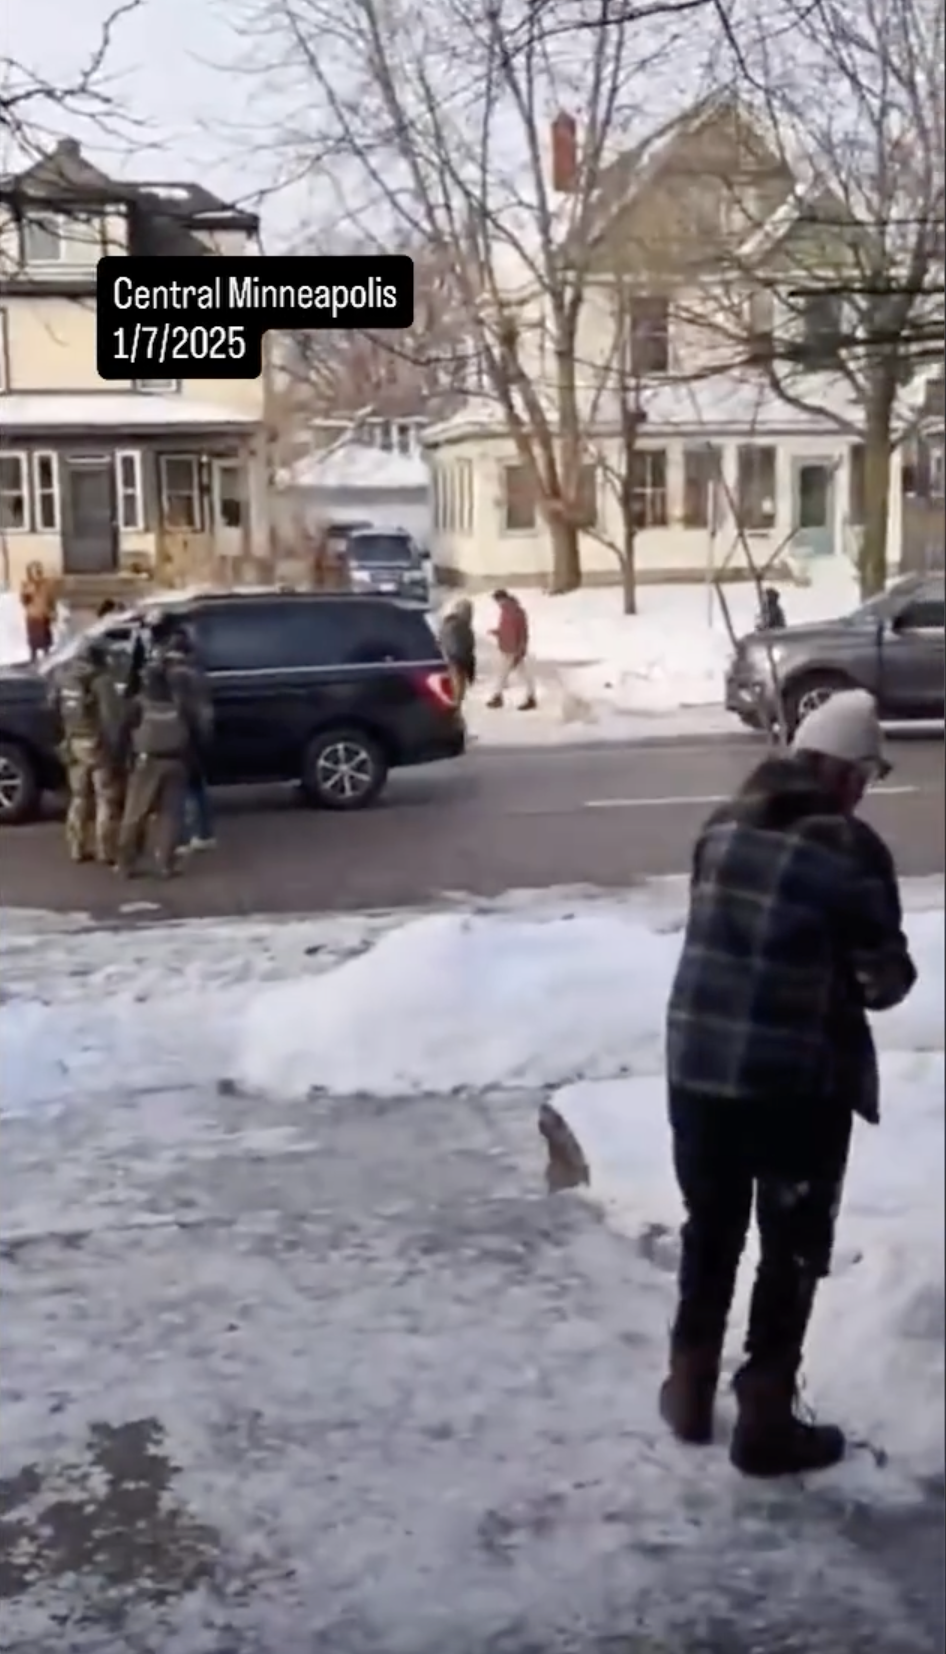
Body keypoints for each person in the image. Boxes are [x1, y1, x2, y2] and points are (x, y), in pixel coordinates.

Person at [660, 689, 916, 1478]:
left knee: (711, 1227)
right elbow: (883, 981)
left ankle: (689, 1386)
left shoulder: (722, 825)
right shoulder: (848, 848)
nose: (863, 792)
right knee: (791, 1245)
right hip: (794, 1084)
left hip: (698, 1068)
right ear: (840, 772)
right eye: (864, 775)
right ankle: (766, 1418)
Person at [115, 660, 192, 878]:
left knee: (135, 814)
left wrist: (121, 761)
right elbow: (192, 731)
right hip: (176, 762)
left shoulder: (138, 704)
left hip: (147, 763)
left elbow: (122, 733)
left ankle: (125, 863)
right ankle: (165, 863)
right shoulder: (178, 703)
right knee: (170, 816)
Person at [51, 639, 124, 864]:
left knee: (79, 796)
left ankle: (77, 846)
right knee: (105, 798)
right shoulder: (101, 681)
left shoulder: (63, 677)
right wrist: (116, 747)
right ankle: (106, 849)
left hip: (73, 741)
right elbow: (112, 717)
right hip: (97, 744)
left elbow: (53, 708)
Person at [152, 622, 215, 850]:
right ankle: (204, 833)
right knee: (197, 786)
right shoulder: (196, 671)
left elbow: (179, 709)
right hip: (199, 735)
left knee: (181, 789)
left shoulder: (176, 676)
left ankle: (185, 837)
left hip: (183, 737)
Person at [486, 589, 537, 710]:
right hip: (509, 648)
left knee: (505, 674)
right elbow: (508, 630)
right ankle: (529, 697)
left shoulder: (513, 612)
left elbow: (521, 632)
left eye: (498, 600)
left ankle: (498, 697)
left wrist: (520, 649)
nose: (497, 604)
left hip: (511, 649)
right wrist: (497, 632)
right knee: (514, 674)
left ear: (502, 599)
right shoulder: (509, 611)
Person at [438, 598, 477, 706]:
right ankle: (456, 702)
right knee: (458, 680)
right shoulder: (458, 624)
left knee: (458, 680)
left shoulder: (454, 623)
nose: (470, 613)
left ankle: (456, 700)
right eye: (468, 610)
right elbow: (455, 642)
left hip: (456, 655)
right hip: (457, 656)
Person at [20, 561, 59, 661]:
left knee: (45, 641)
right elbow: (24, 601)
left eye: (38, 571)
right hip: (33, 617)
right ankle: (33, 658)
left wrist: (54, 612)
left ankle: (47, 658)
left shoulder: (46, 585)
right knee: (34, 641)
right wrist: (27, 593)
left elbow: (51, 600)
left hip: (44, 615)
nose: (37, 575)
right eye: (34, 572)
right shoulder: (26, 585)